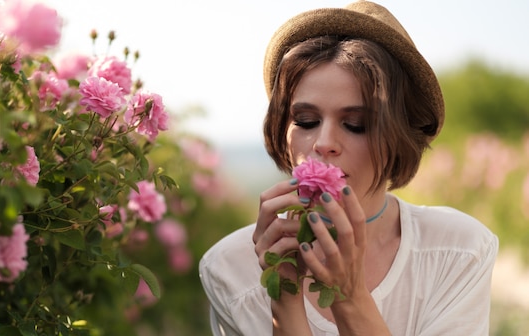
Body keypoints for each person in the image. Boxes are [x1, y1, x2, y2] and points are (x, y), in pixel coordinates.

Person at [198, 1, 499, 335]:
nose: (324, 143)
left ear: (399, 138)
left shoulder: (458, 250)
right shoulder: (228, 267)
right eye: (306, 120)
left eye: (356, 124)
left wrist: (349, 297)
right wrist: (284, 298)